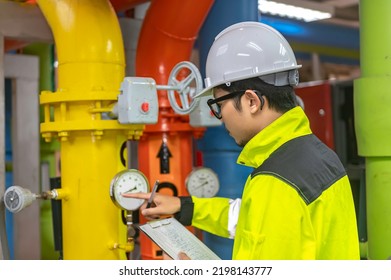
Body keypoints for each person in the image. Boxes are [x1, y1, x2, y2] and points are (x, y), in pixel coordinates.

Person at [124, 21, 360, 260]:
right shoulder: (318, 155)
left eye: (219, 104)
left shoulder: (276, 182)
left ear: (251, 101)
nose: (220, 116)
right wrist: (185, 207)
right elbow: (249, 218)